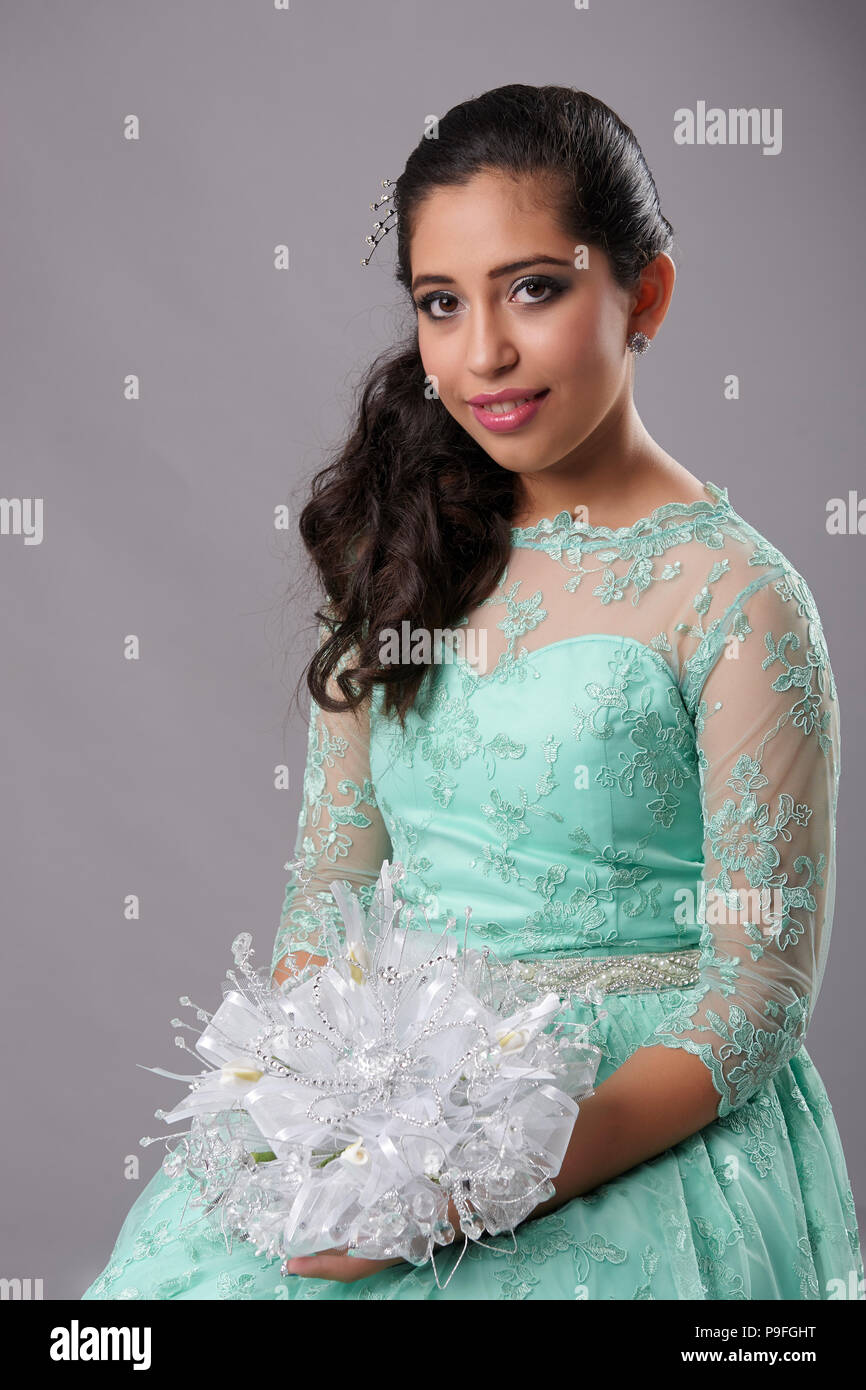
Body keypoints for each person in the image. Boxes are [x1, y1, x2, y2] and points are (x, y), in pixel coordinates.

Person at [82, 84, 862, 1301]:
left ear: (642, 292)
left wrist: (478, 1184)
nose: (481, 353)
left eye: (533, 288)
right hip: (385, 1108)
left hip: (624, 1129)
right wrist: (305, 1129)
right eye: (440, 304)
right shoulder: (402, 553)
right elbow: (325, 909)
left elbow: (757, 989)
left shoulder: (738, 598)